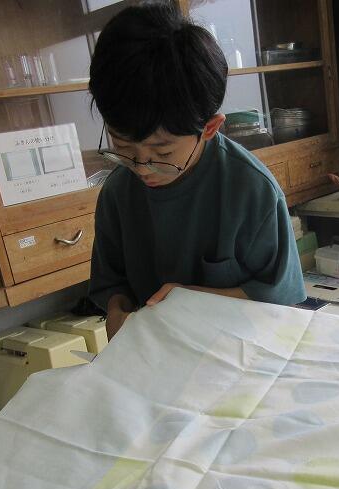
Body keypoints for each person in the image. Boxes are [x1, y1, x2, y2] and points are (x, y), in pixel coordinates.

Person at [87, 4, 306, 340]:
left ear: (210, 128)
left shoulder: (251, 190)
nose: (142, 168)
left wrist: (189, 300)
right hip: (157, 356)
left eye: (162, 153)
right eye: (123, 147)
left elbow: (280, 299)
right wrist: (117, 312)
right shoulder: (118, 192)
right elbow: (113, 285)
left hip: (240, 353)